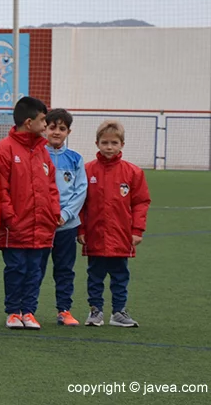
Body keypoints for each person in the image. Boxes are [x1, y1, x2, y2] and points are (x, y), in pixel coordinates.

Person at [0, 96, 60, 331]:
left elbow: (51, 185)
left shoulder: (42, 151)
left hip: (42, 226)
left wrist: (54, 212)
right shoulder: (3, 150)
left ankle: (29, 311)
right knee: (16, 269)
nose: (46, 126)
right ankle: (13, 311)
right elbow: (1, 189)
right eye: (43, 121)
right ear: (29, 122)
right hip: (15, 228)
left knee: (35, 271)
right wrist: (10, 219)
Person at [80, 120, 150, 328]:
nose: (109, 147)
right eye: (105, 142)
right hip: (95, 235)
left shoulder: (133, 172)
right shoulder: (87, 171)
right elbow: (80, 204)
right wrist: (81, 228)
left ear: (122, 144)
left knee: (120, 276)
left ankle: (118, 311)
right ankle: (95, 311)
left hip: (121, 235)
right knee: (95, 276)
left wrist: (137, 230)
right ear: (97, 143)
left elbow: (141, 202)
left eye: (114, 143)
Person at [41, 108, 88, 327]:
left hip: (67, 226)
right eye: (52, 127)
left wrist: (66, 214)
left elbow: (81, 190)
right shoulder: (37, 155)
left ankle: (64, 310)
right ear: (45, 129)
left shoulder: (75, 159)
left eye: (62, 128)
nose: (56, 132)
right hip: (40, 224)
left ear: (68, 131)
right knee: (35, 269)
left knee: (64, 270)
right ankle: (27, 309)